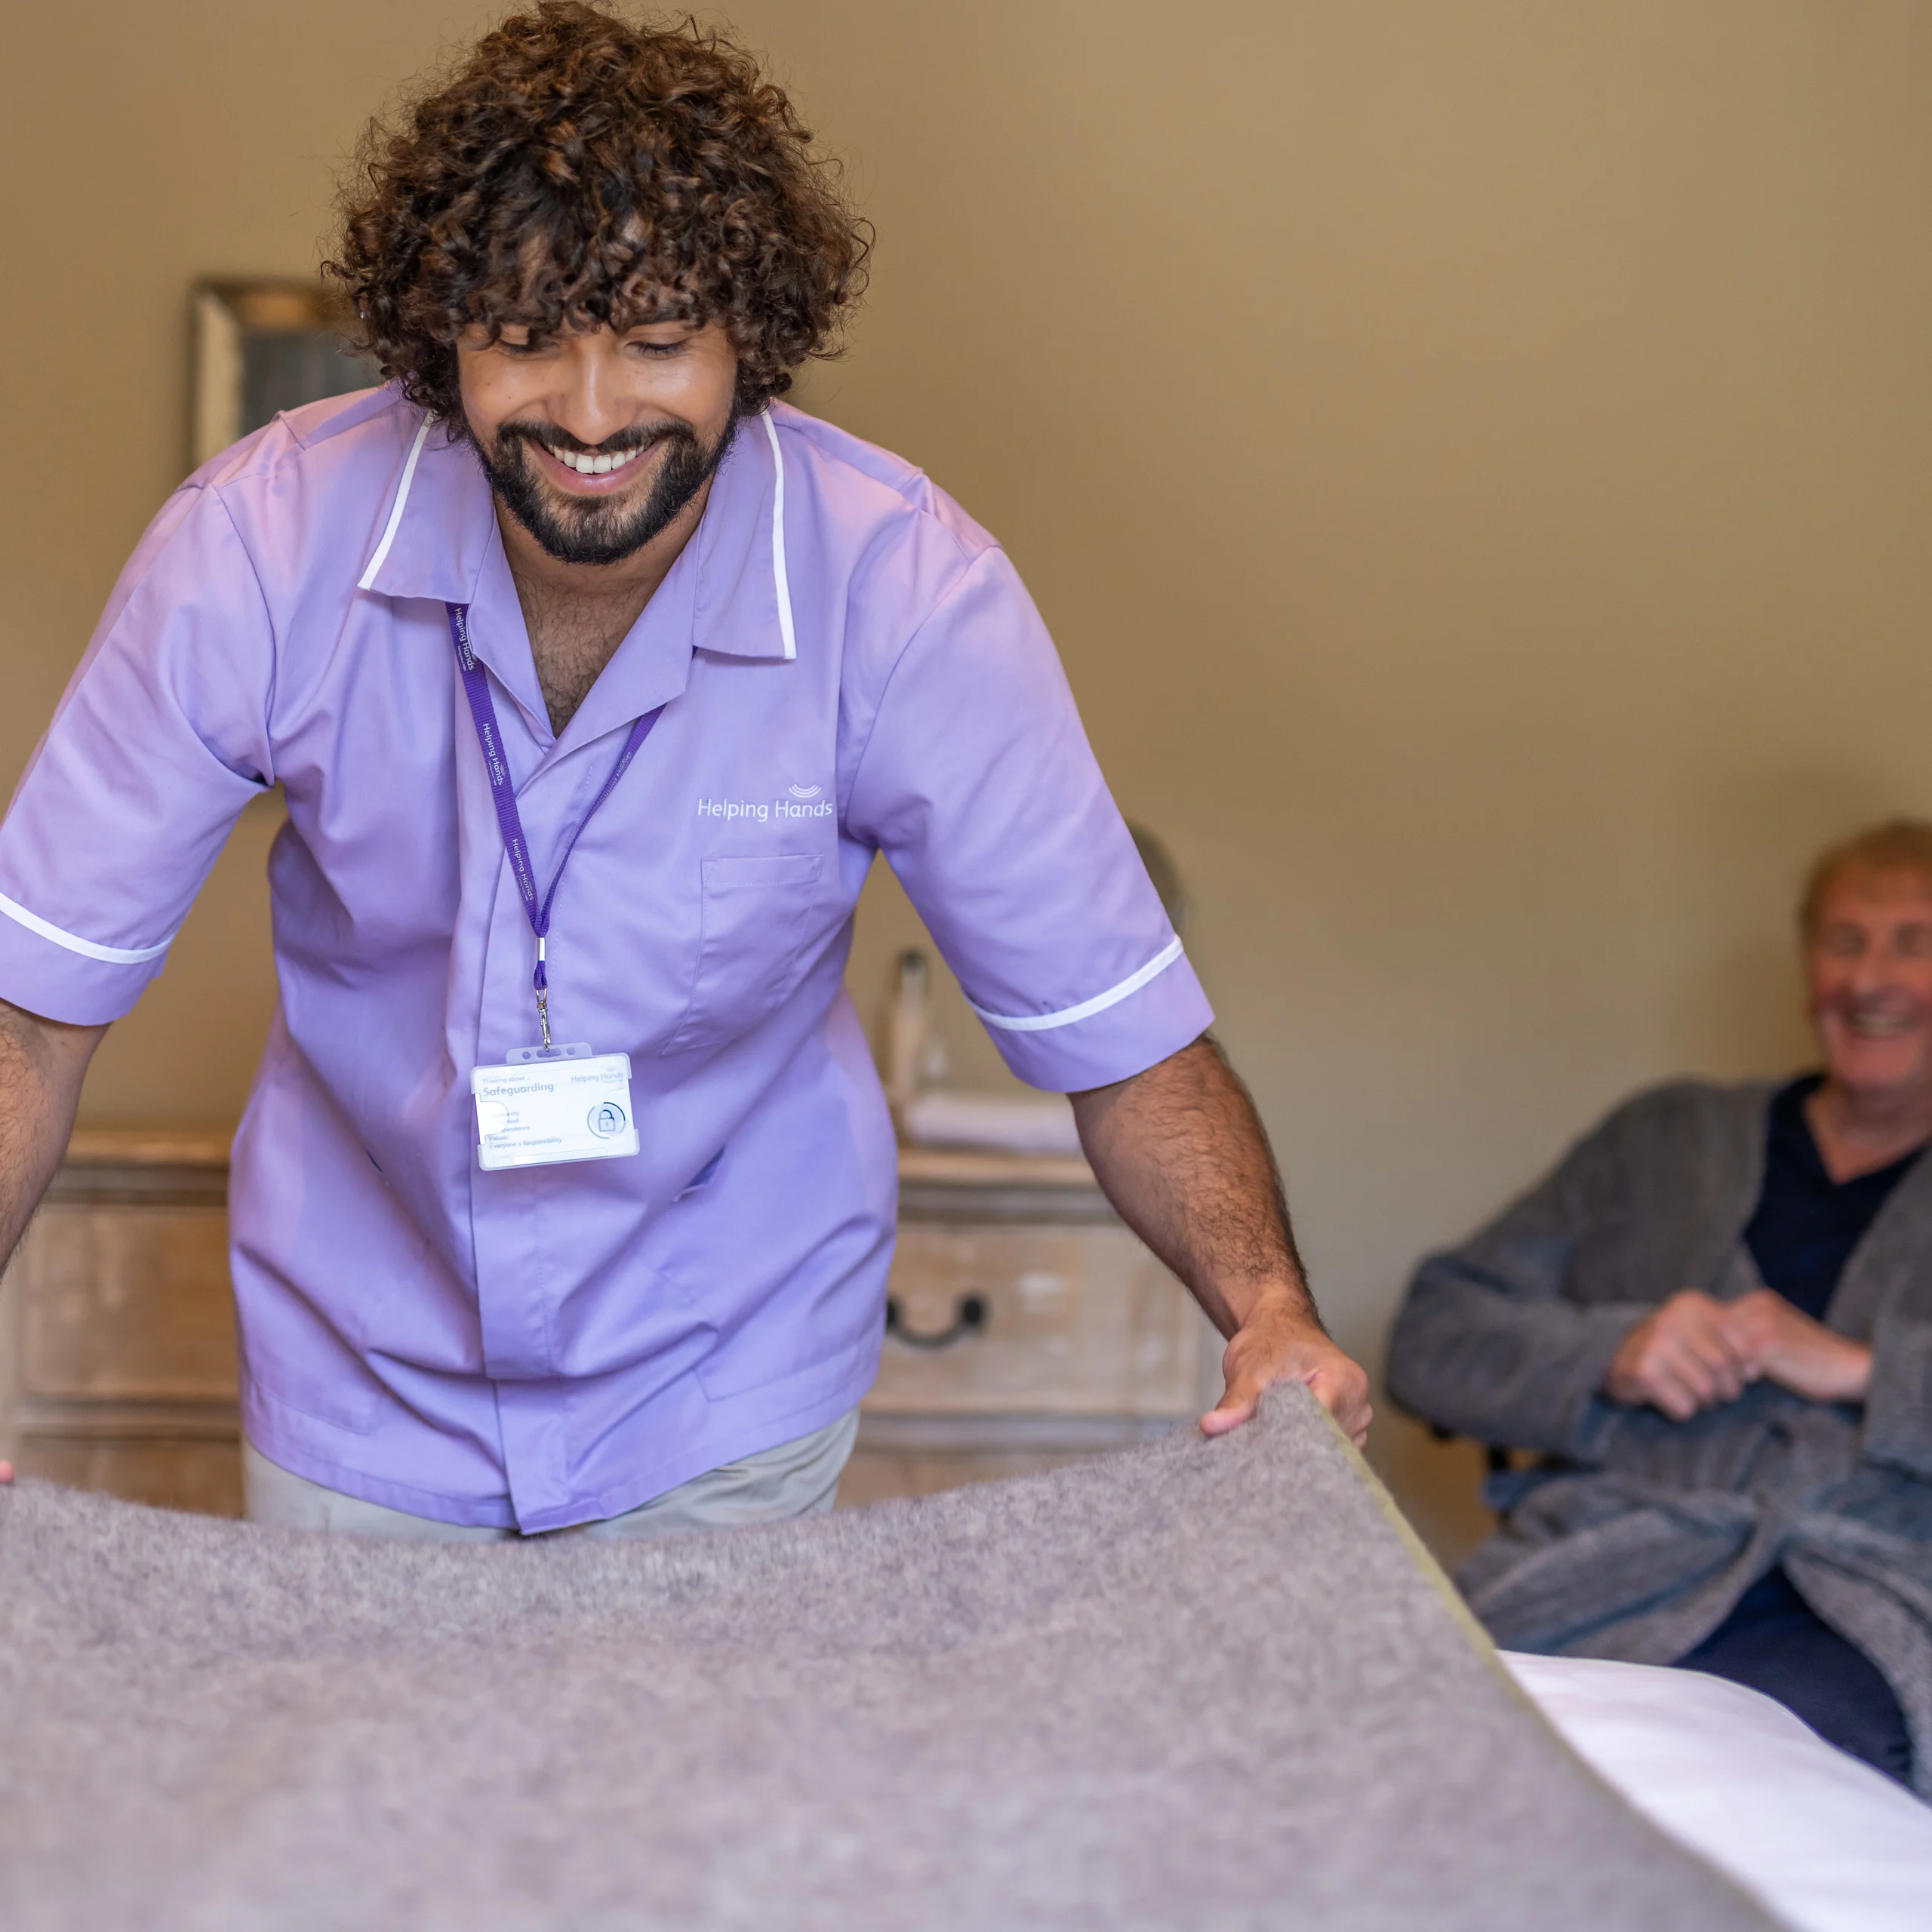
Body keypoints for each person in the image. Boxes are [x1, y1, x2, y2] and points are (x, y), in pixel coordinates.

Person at [0, 5, 1367, 1537]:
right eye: (526, 337)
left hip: (729, 1381)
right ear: (439, 333)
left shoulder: (904, 592)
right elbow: (30, 1014)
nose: (590, 415)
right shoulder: (256, 547)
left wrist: (1269, 1307)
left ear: (749, 343)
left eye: (656, 343)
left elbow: (1124, 1043)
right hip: (357, 1377)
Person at [1387, 818, 1932, 1791]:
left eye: (1914, 943)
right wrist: (1612, 1354)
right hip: (1600, 1570)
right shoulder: (1663, 1139)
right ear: (1807, 967)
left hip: (1867, 1605)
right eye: (1845, 941)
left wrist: (1864, 1370)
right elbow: (1434, 1335)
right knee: (1413, 1754)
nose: (1871, 981)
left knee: (1751, 1790)